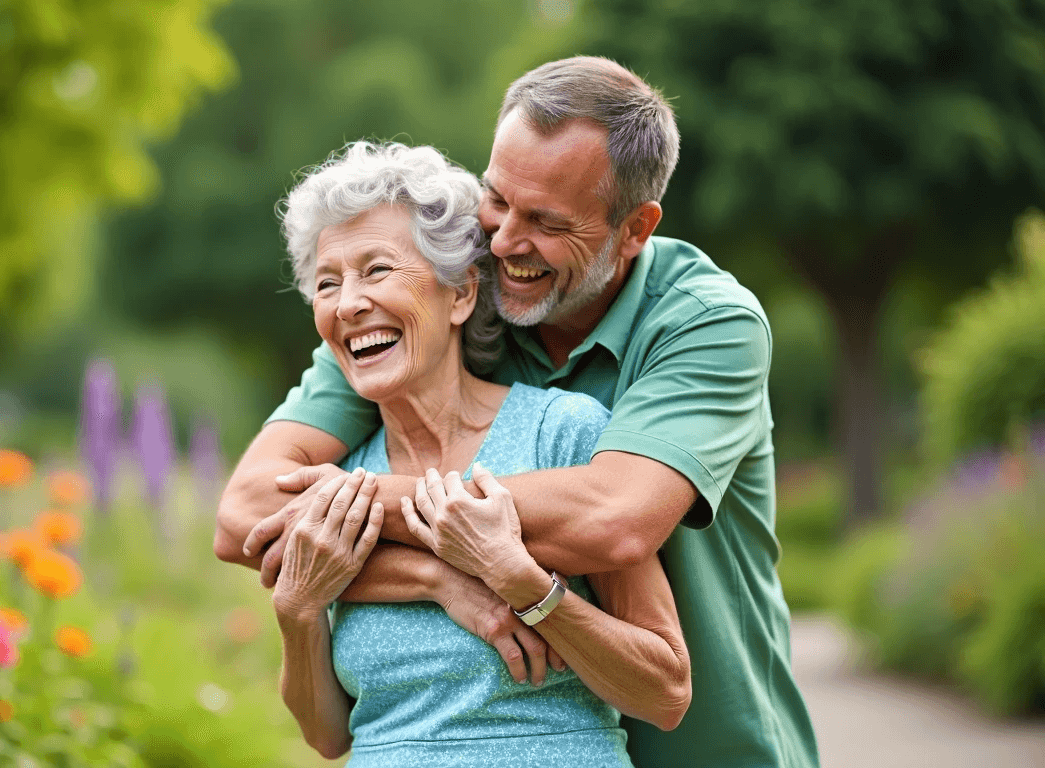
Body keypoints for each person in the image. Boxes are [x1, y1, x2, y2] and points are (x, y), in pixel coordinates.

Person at [216, 56, 819, 767]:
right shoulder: (419, 320)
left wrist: (358, 504)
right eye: (497, 199)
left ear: (634, 228)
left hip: (712, 749)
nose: (501, 243)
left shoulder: (706, 324)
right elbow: (251, 520)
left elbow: (613, 520)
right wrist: (435, 578)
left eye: (546, 221)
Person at [270, 140, 690, 766]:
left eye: (378, 270)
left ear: (462, 294)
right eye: (327, 283)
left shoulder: (560, 434)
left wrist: (519, 580)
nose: (348, 303)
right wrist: (298, 610)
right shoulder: (340, 486)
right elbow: (328, 737)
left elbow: (665, 692)